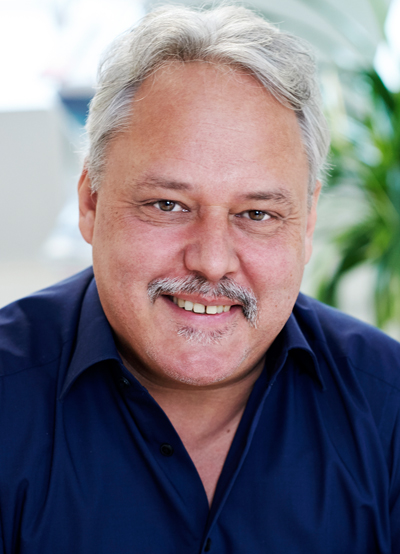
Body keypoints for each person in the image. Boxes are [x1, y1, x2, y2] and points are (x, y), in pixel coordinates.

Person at [1, 5, 400, 553]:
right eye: (168, 205)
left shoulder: (389, 409)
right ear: (90, 202)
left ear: (307, 224)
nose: (212, 261)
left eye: (257, 214)